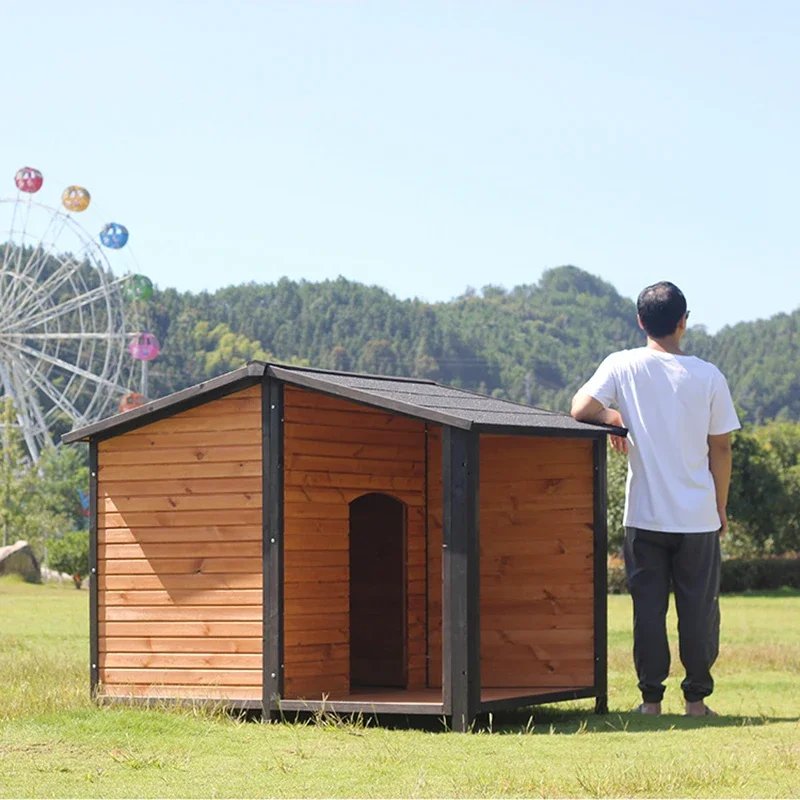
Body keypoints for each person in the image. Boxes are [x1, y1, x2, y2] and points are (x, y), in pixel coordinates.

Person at [571, 281, 740, 717]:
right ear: (684, 322)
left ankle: (650, 702)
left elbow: (579, 408)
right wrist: (720, 505)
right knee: (699, 612)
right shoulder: (709, 376)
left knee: (648, 611)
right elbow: (720, 449)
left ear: (641, 321)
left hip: (643, 516)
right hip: (698, 518)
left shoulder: (622, 365)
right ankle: (697, 701)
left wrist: (613, 416)